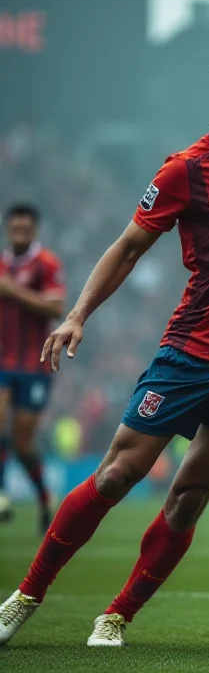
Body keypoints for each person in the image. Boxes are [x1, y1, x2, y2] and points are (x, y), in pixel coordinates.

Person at [0, 46, 209, 649]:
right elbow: (128, 247)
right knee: (118, 475)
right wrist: (76, 316)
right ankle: (26, 596)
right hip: (193, 352)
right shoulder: (186, 170)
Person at [0, 204, 65, 532]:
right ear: (8, 229)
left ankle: (43, 497)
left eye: (26, 229)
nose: (20, 234)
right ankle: (1, 496)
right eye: (15, 229)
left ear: (34, 230)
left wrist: (14, 291)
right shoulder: (1, 264)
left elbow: (56, 306)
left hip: (34, 366)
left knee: (21, 443)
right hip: (2, 361)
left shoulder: (46, 264)